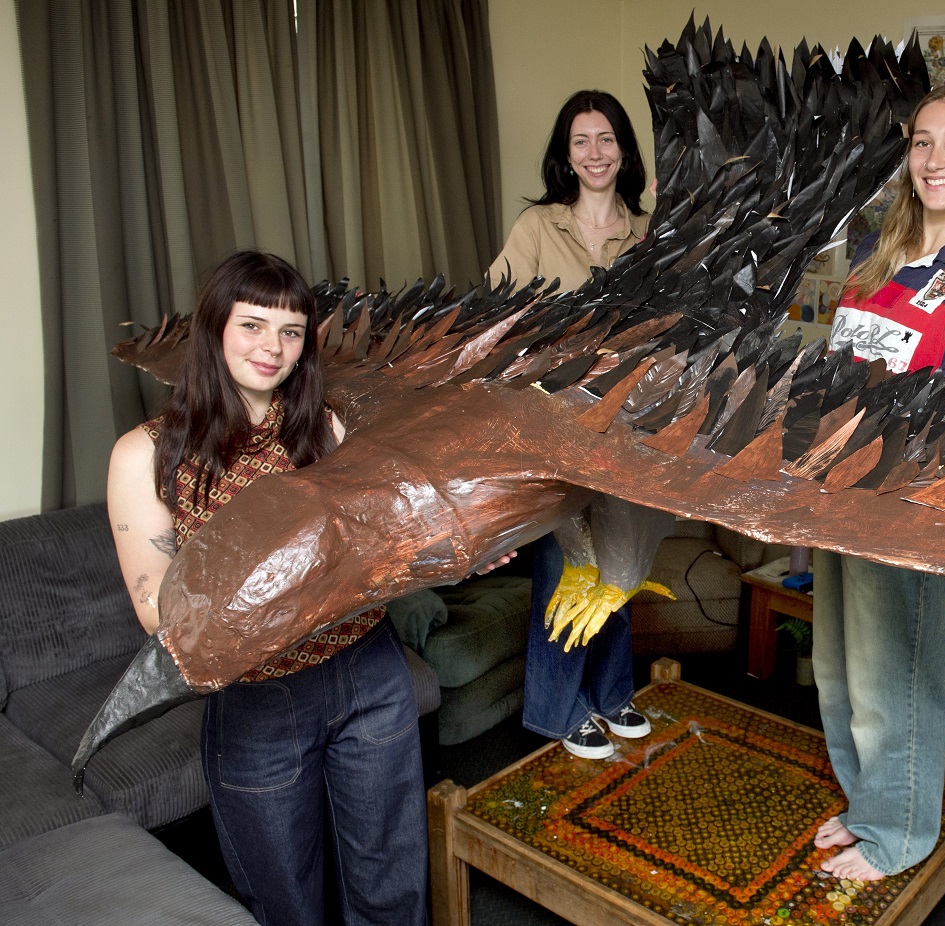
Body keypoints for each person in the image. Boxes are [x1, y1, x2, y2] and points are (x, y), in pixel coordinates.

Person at [106, 251, 507, 925]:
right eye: (252, 325)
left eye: (290, 331)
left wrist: (447, 552)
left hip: (369, 674)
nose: (273, 347)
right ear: (214, 329)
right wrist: (307, 583)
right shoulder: (146, 454)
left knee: (392, 885)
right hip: (259, 705)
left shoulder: (330, 428)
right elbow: (158, 613)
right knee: (286, 899)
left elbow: (379, 539)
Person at [816, 84, 945, 881]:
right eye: (921, 142)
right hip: (834, 486)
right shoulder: (880, 250)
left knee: (892, 675)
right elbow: (842, 366)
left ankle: (899, 835)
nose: (934, 160)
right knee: (839, 667)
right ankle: (865, 805)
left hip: (903, 502)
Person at [489, 90, 653, 760]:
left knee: (618, 567)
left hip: (628, 428)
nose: (594, 153)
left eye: (606, 138)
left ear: (624, 150)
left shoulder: (646, 233)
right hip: (554, 428)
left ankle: (612, 693)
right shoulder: (535, 227)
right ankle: (560, 709)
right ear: (564, 153)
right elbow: (495, 319)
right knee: (566, 565)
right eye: (581, 140)